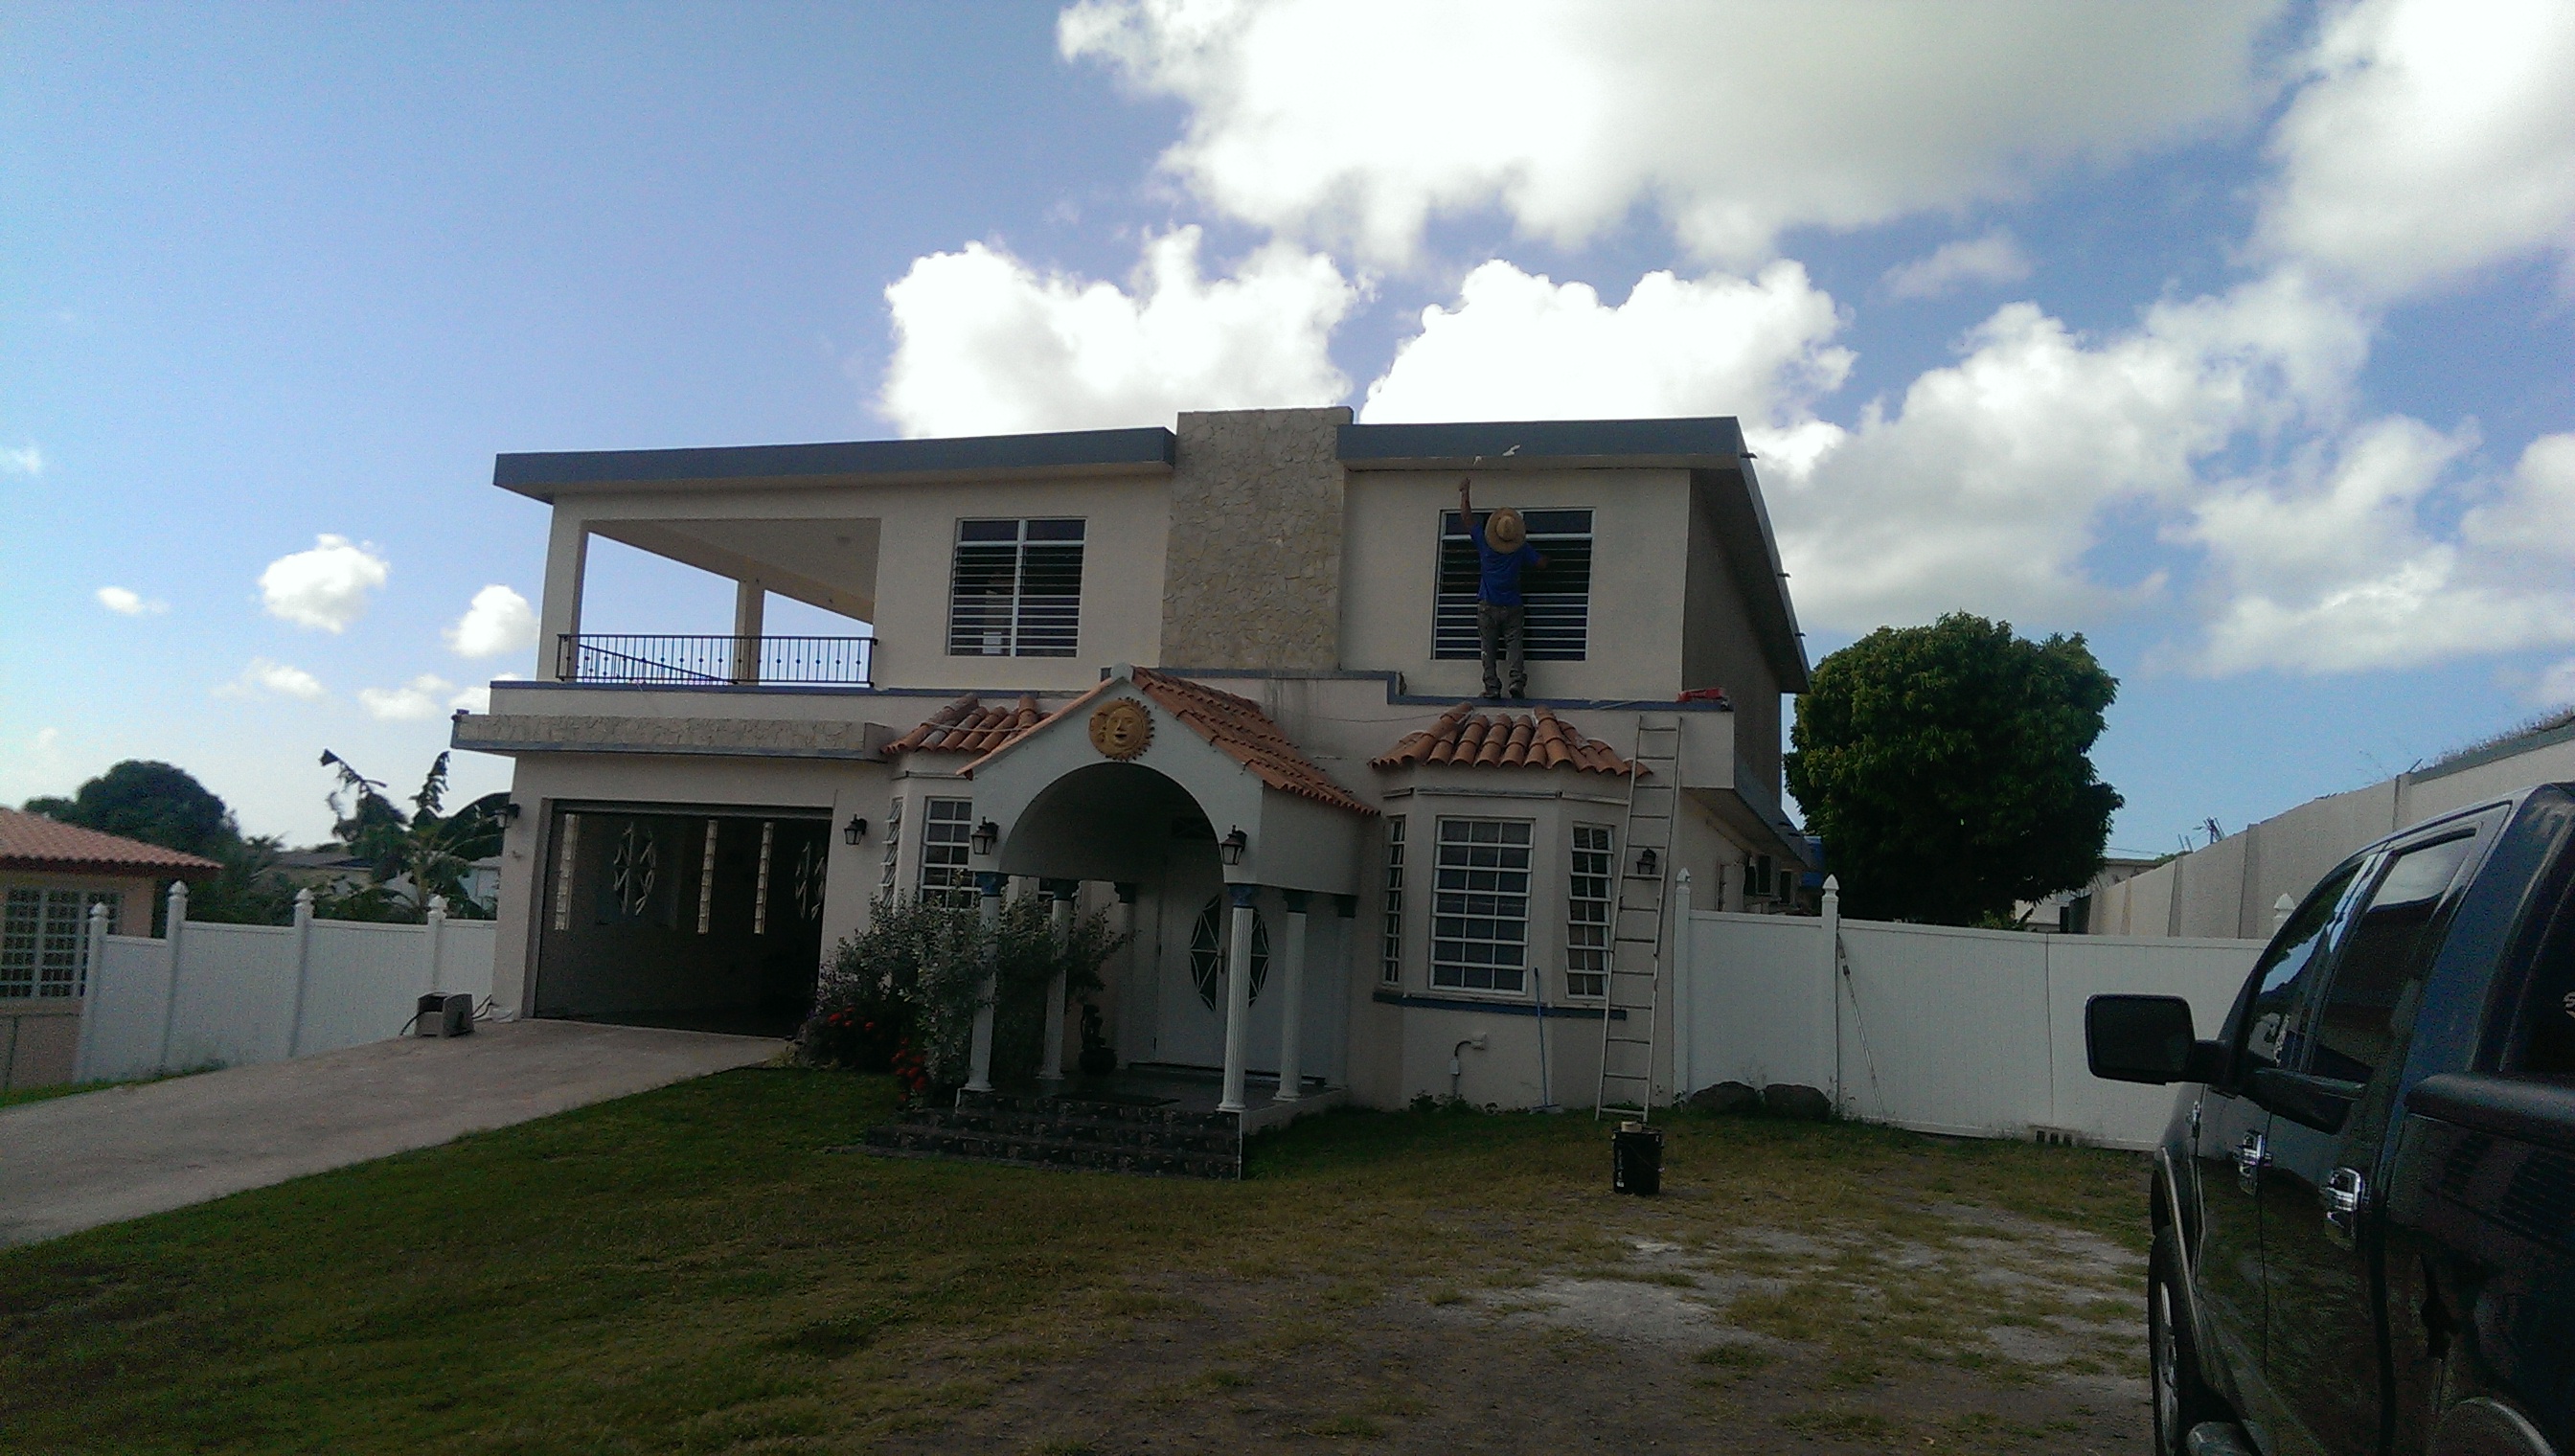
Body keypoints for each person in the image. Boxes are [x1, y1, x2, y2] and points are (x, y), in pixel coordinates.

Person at [1457, 476, 1547, 700]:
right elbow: (1540, 563)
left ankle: (1492, 687)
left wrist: (1465, 492)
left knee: (1488, 648)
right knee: (1514, 646)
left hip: (1488, 604)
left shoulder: (1484, 543)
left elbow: (1467, 519)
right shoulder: (1520, 549)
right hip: (1513, 605)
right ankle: (1516, 682)